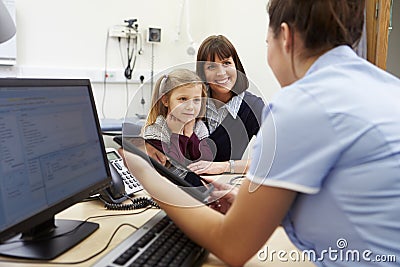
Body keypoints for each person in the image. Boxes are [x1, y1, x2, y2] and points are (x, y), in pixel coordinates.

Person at [124, 0, 400, 266]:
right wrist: (253, 207)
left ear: (285, 36)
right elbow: (351, 202)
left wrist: (145, 173)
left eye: (268, 43)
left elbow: (232, 246)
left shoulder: (300, 105)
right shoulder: (387, 87)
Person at [187, 35, 265, 175]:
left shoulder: (253, 106)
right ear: (202, 72)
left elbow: (275, 157)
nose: (221, 73)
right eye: (211, 66)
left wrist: (225, 166)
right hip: (182, 184)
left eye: (226, 63)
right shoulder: (192, 101)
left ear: (236, 65)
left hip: (223, 186)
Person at [143, 68, 213, 165]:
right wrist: (176, 134)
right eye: (183, 99)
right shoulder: (156, 131)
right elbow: (172, 167)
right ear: (166, 101)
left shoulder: (199, 127)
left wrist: (190, 134)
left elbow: (207, 162)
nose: (190, 107)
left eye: (196, 100)